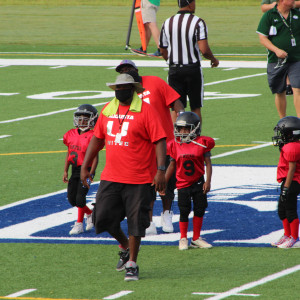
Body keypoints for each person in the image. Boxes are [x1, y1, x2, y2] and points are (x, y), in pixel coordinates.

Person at [80, 73, 167, 281]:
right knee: (102, 217)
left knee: (136, 223)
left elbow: (160, 140)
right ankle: (126, 246)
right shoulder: (108, 110)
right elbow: (97, 138)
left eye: (125, 87)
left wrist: (161, 170)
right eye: (118, 88)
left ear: (134, 89)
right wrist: (85, 165)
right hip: (112, 176)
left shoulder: (146, 110)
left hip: (140, 178)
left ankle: (132, 263)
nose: (121, 91)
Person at [115, 59, 185, 235]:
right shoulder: (123, 92)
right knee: (147, 184)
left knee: (167, 183)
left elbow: (176, 101)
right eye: (122, 70)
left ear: (136, 70)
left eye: (128, 68)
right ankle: (149, 219)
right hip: (142, 146)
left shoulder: (154, 81)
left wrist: (181, 119)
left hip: (165, 140)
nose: (126, 71)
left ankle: (167, 213)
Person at [159, 0, 219, 124]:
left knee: (175, 108)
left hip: (174, 69)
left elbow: (163, 50)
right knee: (195, 107)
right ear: (190, 4)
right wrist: (213, 59)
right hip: (192, 69)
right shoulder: (198, 22)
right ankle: (195, 139)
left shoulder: (167, 22)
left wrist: (169, 60)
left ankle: (175, 140)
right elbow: (204, 49)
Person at [163, 112, 215, 250]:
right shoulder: (174, 145)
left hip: (198, 181)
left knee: (199, 209)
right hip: (182, 183)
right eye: (180, 129)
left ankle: (196, 238)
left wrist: (208, 181)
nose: (182, 132)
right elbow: (172, 165)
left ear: (195, 129)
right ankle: (183, 238)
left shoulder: (203, 142)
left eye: (186, 129)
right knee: (184, 211)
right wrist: (164, 182)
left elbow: (208, 163)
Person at [256, 0, 300, 119]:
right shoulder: (269, 15)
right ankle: (283, 120)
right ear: (281, 1)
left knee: (298, 88)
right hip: (276, 60)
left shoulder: (297, 14)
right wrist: (276, 50)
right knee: (279, 91)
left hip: (296, 58)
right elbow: (263, 38)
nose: (293, 1)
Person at [63, 104, 98, 235]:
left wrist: (91, 173)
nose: (82, 120)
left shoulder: (93, 135)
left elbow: (95, 158)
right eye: (80, 117)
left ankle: (79, 224)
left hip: (87, 170)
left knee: (80, 198)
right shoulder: (70, 134)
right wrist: (65, 170)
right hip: (74, 169)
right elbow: (69, 152)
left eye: (85, 118)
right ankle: (90, 214)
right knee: (72, 199)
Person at [272, 116, 300, 248]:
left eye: (283, 133)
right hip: (288, 181)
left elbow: (292, 169)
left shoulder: (292, 148)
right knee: (282, 210)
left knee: (290, 210)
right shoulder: (289, 146)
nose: (280, 135)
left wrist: (286, 188)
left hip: (293, 181)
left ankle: (294, 238)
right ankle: (287, 235)